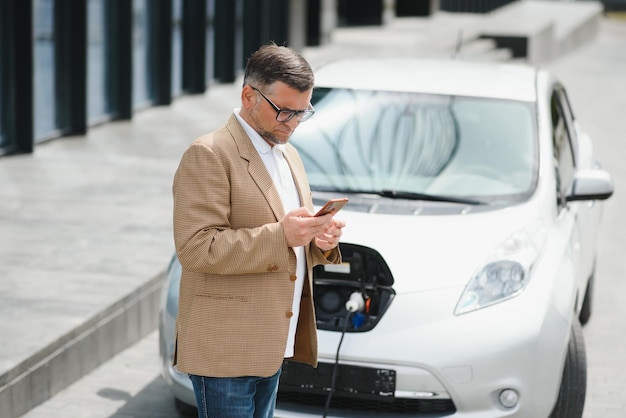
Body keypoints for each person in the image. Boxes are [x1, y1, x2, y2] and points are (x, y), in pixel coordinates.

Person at [172, 43, 346, 418]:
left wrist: (319, 240)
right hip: (225, 350)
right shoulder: (209, 154)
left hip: (272, 343)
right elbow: (197, 248)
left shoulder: (288, 153)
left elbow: (290, 238)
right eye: (284, 110)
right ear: (249, 95)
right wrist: (283, 235)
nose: (293, 123)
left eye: (302, 113)